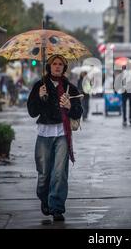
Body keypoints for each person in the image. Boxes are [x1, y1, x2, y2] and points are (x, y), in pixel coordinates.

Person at [27, 55, 83, 221]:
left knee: (59, 172)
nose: (57, 67)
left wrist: (69, 106)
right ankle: (44, 198)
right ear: (49, 67)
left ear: (64, 68)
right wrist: (38, 96)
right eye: (54, 64)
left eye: (60, 64)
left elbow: (79, 112)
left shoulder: (70, 88)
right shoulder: (40, 85)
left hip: (62, 134)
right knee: (44, 173)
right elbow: (32, 112)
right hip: (44, 133)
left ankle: (57, 207)